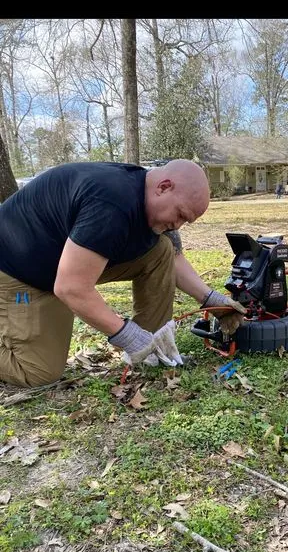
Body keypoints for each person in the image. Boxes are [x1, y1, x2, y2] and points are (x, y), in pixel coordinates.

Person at [0, 160, 246, 388]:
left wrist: (210, 299)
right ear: (164, 187)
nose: (178, 225)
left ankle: (152, 352)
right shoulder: (111, 204)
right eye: (180, 214)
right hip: (19, 274)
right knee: (38, 372)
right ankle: (140, 344)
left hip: (63, 266)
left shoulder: (145, 194)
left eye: (186, 221)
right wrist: (125, 334)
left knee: (161, 249)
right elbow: (71, 288)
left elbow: (174, 258)